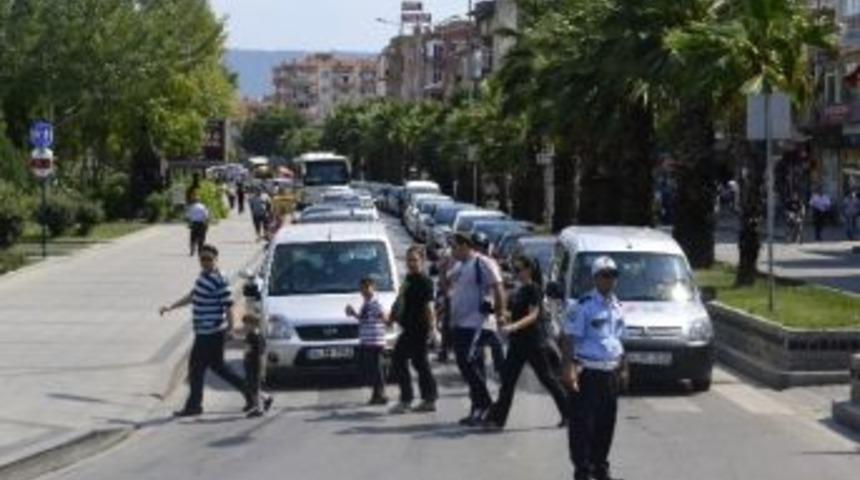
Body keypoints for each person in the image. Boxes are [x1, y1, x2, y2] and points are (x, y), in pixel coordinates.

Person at [160, 244, 254, 417]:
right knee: (219, 368)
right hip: (206, 332)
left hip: (210, 333)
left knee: (196, 369)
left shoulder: (218, 279)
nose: (205, 262)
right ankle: (253, 395)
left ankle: (194, 406)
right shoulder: (204, 276)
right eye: (202, 259)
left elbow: (229, 306)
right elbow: (193, 296)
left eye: (209, 259)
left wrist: (231, 330)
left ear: (216, 259)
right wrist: (171, 306)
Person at [483, 255, 569, 431]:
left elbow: (533, 315)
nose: (516, 272)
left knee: (547, 379)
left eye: (519, 269)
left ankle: (569, 414)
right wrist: (500, 315)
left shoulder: (534, 289)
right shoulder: (519, 290)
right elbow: (513, 313)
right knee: (507, 380)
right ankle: (498, 420)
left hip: (534, 342)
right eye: (515, 269)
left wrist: (513, 326)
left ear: (529, 270)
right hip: (517, 343)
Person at [561, 256, 627, 480]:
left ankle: (600, 467)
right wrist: (568, 368)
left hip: (610, 372)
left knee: (606, 424)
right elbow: (569, 338)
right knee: (583, 425)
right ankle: (582, 469)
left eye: (613, 276)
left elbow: (619, 340)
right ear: (595, 278)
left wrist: (624, 367)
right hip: (587, 372)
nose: (609, 280)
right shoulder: (583, 305)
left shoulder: (618, 307)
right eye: (605, 275)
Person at [447, 232, 507, 426]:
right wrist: (442, 269)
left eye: (455, 246)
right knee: (471, 365)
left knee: (467, 361)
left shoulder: (482, 262)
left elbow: (498, 286)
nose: (452, 250)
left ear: (465, 245)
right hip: (460, 323)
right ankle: (478, 409)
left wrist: (500, 314)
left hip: (476, 323)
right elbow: (446, 283)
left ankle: (487, 404)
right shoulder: (460, 265)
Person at [390, 246, 439, 414]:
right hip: (409, 327)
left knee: (400, 359)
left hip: (419, 328)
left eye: (415, 260)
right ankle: (427, 398)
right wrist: (392, 317)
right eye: (409, 260)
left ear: (422, 261)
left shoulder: (425, 281)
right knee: (418, 362)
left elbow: (429, 306)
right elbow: (401, 300)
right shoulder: (409, 279)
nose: (411, 263)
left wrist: (433, 329)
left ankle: (409, 399)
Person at [346, 276, 389, 405]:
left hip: (375, 340)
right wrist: (353, 313)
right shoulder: (366, 303)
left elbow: (384, 317)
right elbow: (363, 319)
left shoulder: (375, 303)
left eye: (367, 288)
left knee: (376, 367)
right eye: (362, 288)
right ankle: (376, 395)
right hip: (367, 340)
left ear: (373, 288)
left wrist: (387, 319)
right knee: (372, 368)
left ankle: (381, 393)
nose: (364, 291)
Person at [242, 313, 274, 418]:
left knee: (254, 388)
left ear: (253, 324)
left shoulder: (256, 337)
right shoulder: (250, 335)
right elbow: (247, 350)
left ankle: (258, 408)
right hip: (249, 364)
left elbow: (261, 354)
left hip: (255, 365)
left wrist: (262, 369)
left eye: (246, 324)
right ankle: (267, 399)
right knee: (252, 387)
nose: (245, 326)